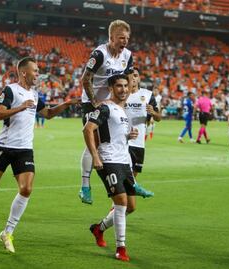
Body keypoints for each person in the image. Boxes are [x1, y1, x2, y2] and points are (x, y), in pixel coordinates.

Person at [0, 57, 79, 253]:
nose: (37, 73)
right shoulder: (10, 90)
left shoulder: (34, 94)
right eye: (35, 70)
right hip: (4, 147)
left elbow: (47, 114)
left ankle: (7, 232)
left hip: (24, 149)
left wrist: (67, 103)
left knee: (26, 189)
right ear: (24, 72)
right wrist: (21, 107)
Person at [83, 74, 138, 262]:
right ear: (111, 88)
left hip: (124, 161)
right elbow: (88, 129)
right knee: (121, 203)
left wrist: (129, 136)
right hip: (108, 160)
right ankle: (121, 248)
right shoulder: (105, 107)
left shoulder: (122, 111)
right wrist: (95, 156)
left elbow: (114, 135)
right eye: (119, 86)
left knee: (131, 206)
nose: (123, 89)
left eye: (126, 85)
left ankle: (99, 229)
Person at [79, 19, 134, 204]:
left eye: (127, 38)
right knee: (93, 142)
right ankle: (85, 185)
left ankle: (131, 182)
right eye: (121, 37)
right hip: (92, 103)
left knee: (121, 139)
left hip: (114, 104)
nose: (124, 41)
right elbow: (86, 79)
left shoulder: (127, 55)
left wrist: (122, 103)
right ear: (111, 37)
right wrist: (94, 102)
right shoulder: (100, 54)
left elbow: (127, 79)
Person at [125, 68, 161, 197]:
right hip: (123, 141)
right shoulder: (121, 93)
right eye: (131, 75)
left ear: (139, 78)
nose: (133, 78)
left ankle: (119, 210)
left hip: (139, 143)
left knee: (131, 179)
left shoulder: (147, 94)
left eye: (136, 75)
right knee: (125, 178)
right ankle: (118, 209)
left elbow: (159, 117)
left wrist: (153, 112)